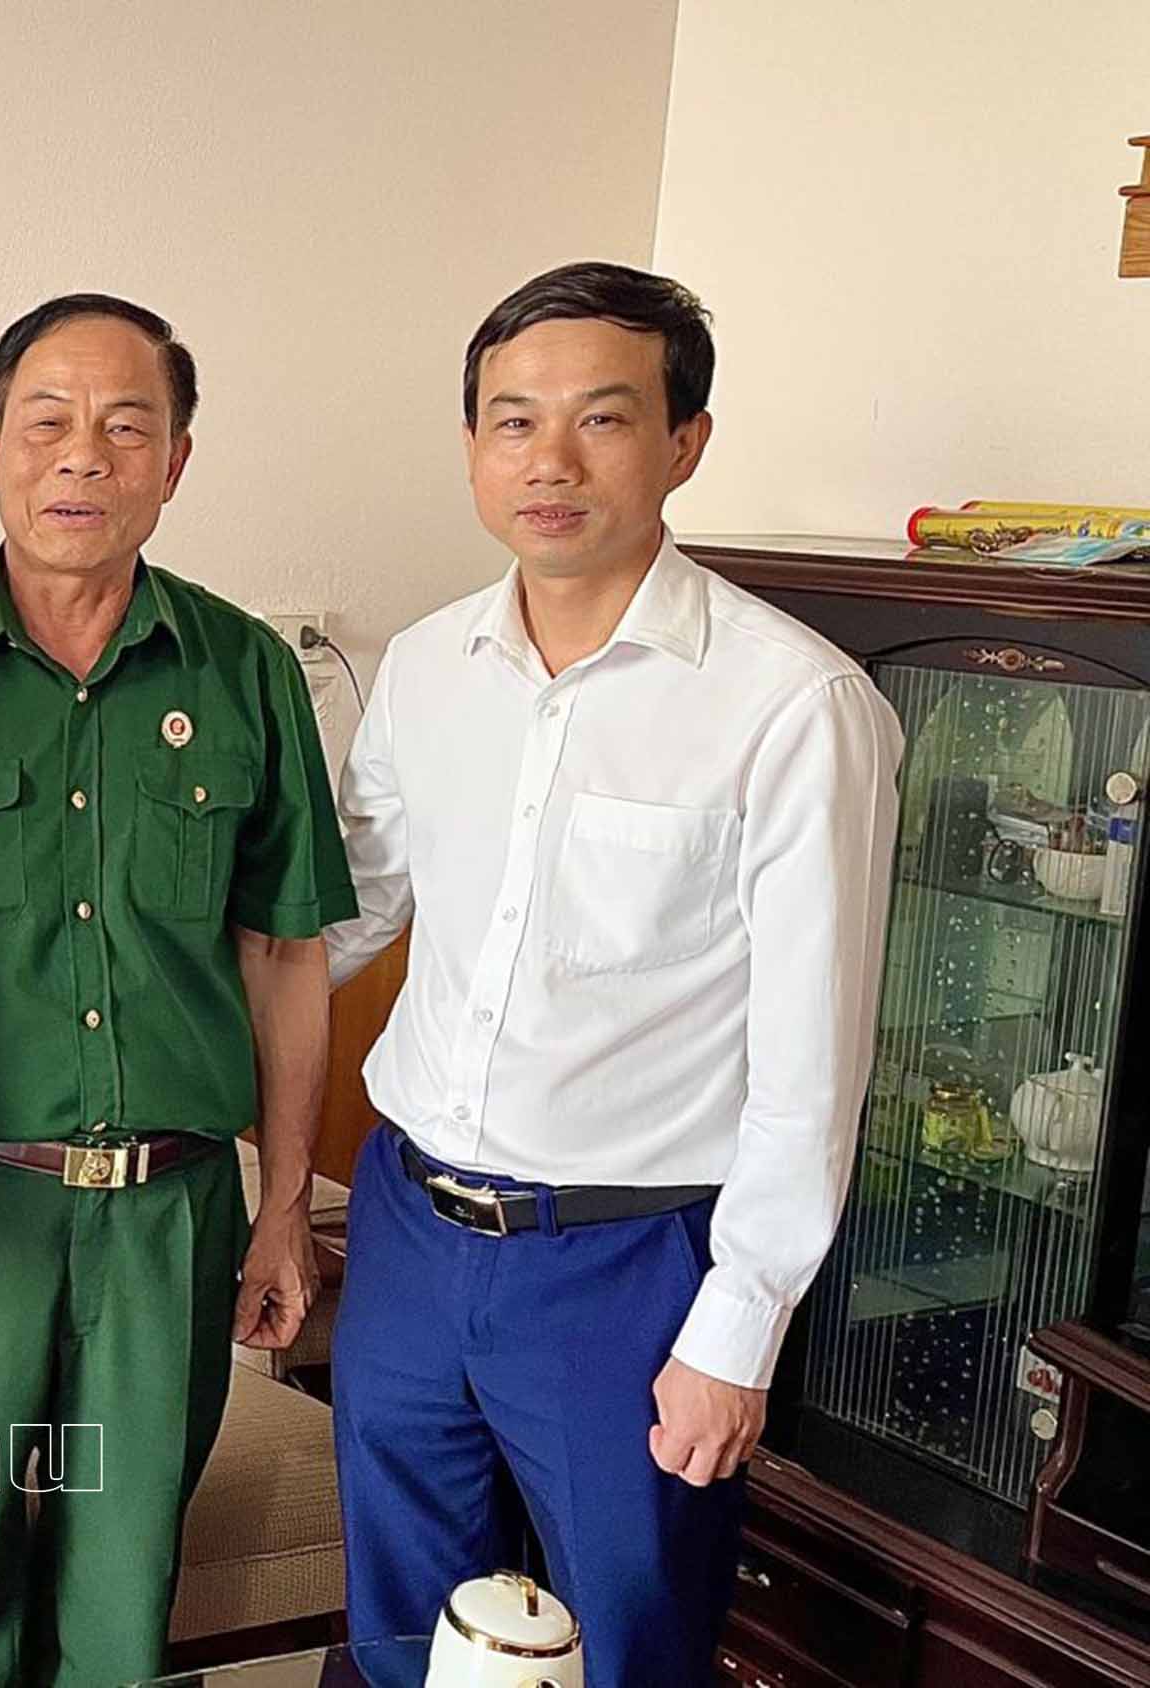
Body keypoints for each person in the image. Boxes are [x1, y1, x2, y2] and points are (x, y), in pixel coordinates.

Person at [323, 261, 903, 1685]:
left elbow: (811, 1069)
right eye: (512, 422)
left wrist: (740, 1330)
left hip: (630, 1270)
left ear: (684, 443)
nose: (551, 461)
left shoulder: (798, 705)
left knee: (628, 1644)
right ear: (473, 448)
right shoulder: (425, 668)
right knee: (408, 1637)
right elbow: (344, 913)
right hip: (408, 1236)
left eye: (603, 419)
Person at [0, 294, 353, 1685]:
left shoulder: (247, 674)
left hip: (170, 1210)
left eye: (127, 427)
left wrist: (285, 1205)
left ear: (174, 463)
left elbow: (287, 953)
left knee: (126, 1580)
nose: (83, 458)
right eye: (49, 424)